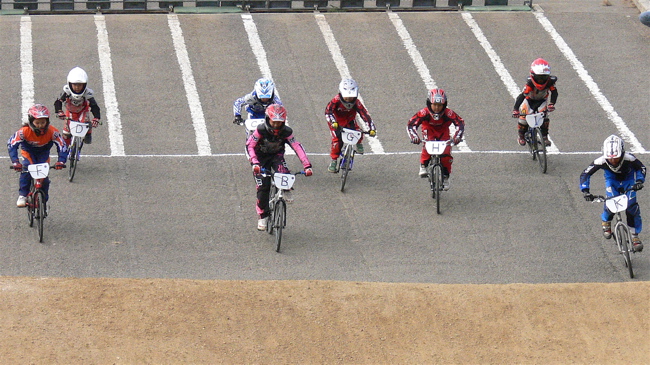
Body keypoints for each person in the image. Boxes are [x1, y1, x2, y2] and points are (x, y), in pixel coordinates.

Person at [246, 104, 313, 231]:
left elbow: (297, 146)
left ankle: (286, 189)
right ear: (267, 119)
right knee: (263, 187)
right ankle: (263, 216)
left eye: (279, 123)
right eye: (274, 122)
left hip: (276, 156)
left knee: (284, 172)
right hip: (260, 159)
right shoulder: (260, 130)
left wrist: (307, 165)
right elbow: (249, 145)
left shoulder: (287, 132)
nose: (276, 126)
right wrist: (254, 162)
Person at [581, 135, 646, 252]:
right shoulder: (600, 161)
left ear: (622, 153)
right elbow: (586, 174)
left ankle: (634, 236)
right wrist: (585, 191)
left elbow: (641, 168)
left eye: (616, 158)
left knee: (632, 206)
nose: (613, 161)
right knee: (610, 202)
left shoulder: (629, 158)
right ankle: (606, 221)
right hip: (612, 181)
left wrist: (639, 181)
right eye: (610, 159)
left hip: (628, 181)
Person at [8, 104, 67, 208]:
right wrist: (15, 162)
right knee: (26, 171)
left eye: (43, 122)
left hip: (43, 154)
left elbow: (62, 145)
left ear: (47, 122)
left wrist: (61, 161)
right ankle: (23, 195)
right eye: (37, 123)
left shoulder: (52, 132)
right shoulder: (23, 132)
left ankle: (44, 200)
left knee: (45, 180)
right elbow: (12, 145)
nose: (40, 126)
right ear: (31, 122)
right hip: (28, 153)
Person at [406, 88, 465, 190]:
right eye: (434, 105)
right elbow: (411, 124)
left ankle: (446, 176)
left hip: (443, 132)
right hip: (429, 130)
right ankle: (423, 164)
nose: (437, 108)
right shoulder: (424, 113)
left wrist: (457, 137)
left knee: (446, 153)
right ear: (429, 104)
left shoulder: (449, 113)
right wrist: (414, 137)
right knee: (427, 145)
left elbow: (460, 123)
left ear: (444, 105)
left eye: (440, 105)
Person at [325, 78, 377, 173]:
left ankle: (358, 143)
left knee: (358, 132)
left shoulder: (357, 103)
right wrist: (333, 122)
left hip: (349, 120)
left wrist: (371, 128)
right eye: (346, 97)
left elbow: (365, 115)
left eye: (351, 97)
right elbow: (328, 112)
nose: (348, 100)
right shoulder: (335, 101)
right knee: (337, 142)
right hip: (336, 123)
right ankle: (334, 160)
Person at [512, 58, 558, 147]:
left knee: (544, 118)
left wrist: (551, 104)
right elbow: (521, 96)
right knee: (523, 119)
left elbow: (554, 93)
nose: (541, 80)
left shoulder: (550, 82)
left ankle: (545, 136)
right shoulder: (529, 84)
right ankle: (521, 136)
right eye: (538, 78)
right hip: (529, 101)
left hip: (542, 101)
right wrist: (516, 110)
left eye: (543, 78)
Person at [54, 67, 101, 146]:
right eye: (74, 85)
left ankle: (88, 133)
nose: (77, 87)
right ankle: (65, 149)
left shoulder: (88, 94)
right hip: (70, 112)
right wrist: (59, 111)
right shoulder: (66, 92)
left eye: (80, 85)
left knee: (86, 123)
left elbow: (94, 106)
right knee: (66, 134)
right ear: (69, 84)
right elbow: (58, 102)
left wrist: (96, 118)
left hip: (83, 111)